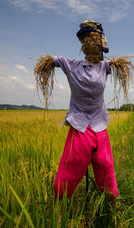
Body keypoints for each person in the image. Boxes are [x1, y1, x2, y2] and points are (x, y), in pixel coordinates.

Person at [53, 20, 119, 199]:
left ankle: (110, 201)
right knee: (73, 165)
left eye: (95, 43)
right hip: (79, 124)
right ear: (83, 45)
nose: (91, 47)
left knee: (105, 164)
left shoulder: (105, 67)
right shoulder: (71, 65)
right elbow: (53, 60)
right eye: (86, 42)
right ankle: (61, 203)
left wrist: (122, 64)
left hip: (100, 123)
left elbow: (118, 64)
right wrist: (46, 64)